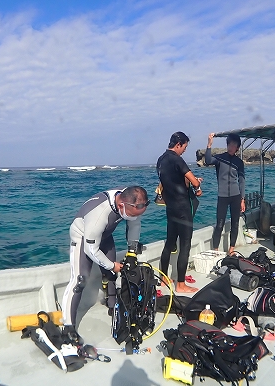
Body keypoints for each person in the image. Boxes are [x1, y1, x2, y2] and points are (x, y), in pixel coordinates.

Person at [61, 185, 150, 343]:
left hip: (104, 234)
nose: (133, 217)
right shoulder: (99, 214)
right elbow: (91, 251)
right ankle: (68, 327)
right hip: (82, 237)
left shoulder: (130, 198)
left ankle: (112, 305)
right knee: (80, 280)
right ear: (122, 205)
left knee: (111, 274)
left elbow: (134, 223)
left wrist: (131, 250)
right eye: (131, 214)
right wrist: (111, 264)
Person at [157, 132, 203, 294]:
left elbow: (172, 181)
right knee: (185, 245)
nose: (184, 150)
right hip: (183, 208)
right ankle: (181, 284)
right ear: (179, 144)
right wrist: (197, 186)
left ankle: (163, 278)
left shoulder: (161, 160)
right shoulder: (177, 159)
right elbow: (194, 181)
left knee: (170, 243)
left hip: (170, 208)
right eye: (184, 147)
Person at [205, 132, 245, 255]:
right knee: (219, 223)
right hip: (222, 196)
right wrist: (209, 144)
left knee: (235, 223)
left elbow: (242, 181)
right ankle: (216, 249)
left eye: (234, 145)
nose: (231, 147)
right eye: (229, 144)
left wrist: (242, 199)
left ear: (237, 147)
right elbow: (207, 160)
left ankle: (231, 248)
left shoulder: (239, 162)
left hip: (236, 196)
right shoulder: (220, 158)